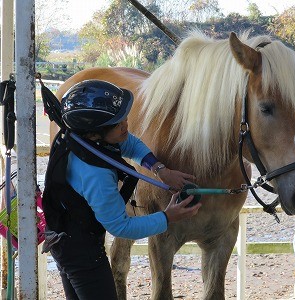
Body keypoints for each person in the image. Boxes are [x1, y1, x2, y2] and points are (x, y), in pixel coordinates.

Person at [42, 79, 201, 300]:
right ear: (96, 132)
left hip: (64, 236)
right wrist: (167, 217)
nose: (126, 124)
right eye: (119, 123)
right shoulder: (95, 173)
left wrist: (160, 169)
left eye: (124, 117)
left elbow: (130, 143)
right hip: (80, 249)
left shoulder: (81, 138)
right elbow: (120, 226)